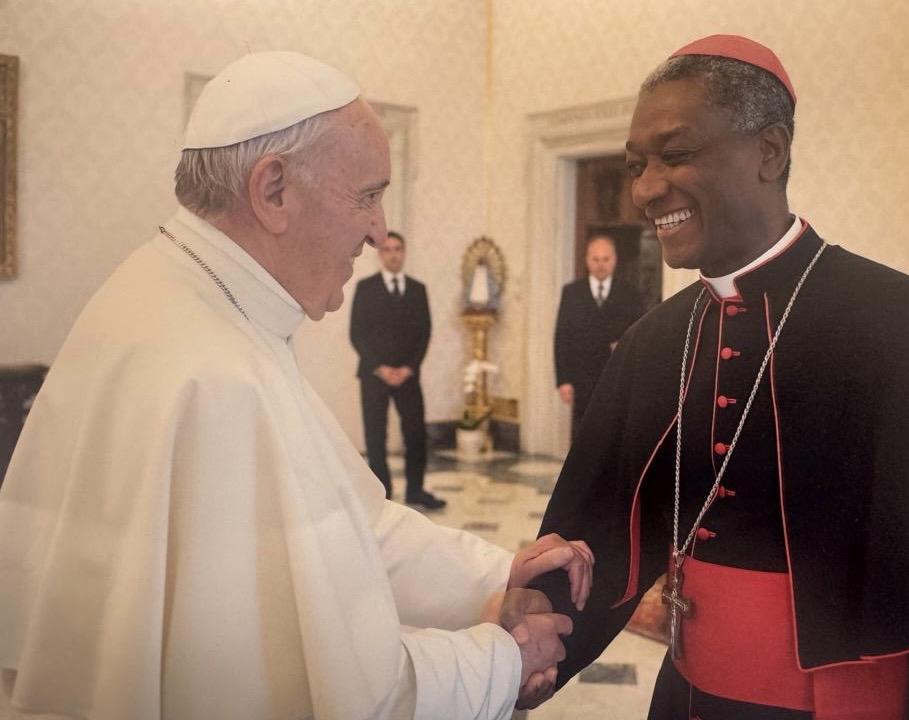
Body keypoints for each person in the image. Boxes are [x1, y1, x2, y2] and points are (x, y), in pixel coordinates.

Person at [0, 51, 593, 720]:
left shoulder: (186, 296)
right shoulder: (214, 374)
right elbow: (338, 696)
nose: (379, 229)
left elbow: (346, 524)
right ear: (273, 189)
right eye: (367, 195)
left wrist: (494, 574)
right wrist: (503, 662)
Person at [526, 35, 909, 719]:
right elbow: (596, 536)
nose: (645, 189)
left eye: (675, 155)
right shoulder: (653, 343)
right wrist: (533, 651)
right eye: (637, 165)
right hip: (686, 700)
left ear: (770, 151)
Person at [350, 230, 444, 509]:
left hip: (407, 376)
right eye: (387, 249)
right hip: (374, 374)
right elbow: (357, 333)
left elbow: (424, 333)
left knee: (415, 433)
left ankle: (416, 490)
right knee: (375, 436)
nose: (393, 254)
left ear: (404, 253)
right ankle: (383, 493)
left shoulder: (417, 289)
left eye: (397, 249)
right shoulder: (365, 288)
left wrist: (408, 368)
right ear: (380, 254)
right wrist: (379, 367)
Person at [553, 234, 644, 434]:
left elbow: (641, 336)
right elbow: (562, 337)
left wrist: (624, 346)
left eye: (606, 259)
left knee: (614, 432)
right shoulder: (572, 293)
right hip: (582, 378)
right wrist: (563, 380)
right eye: (595, 259)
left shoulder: (630, 293)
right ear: (587, 260)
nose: (601, 265)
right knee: (584, 433)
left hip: (618, 376)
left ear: (614, 260)